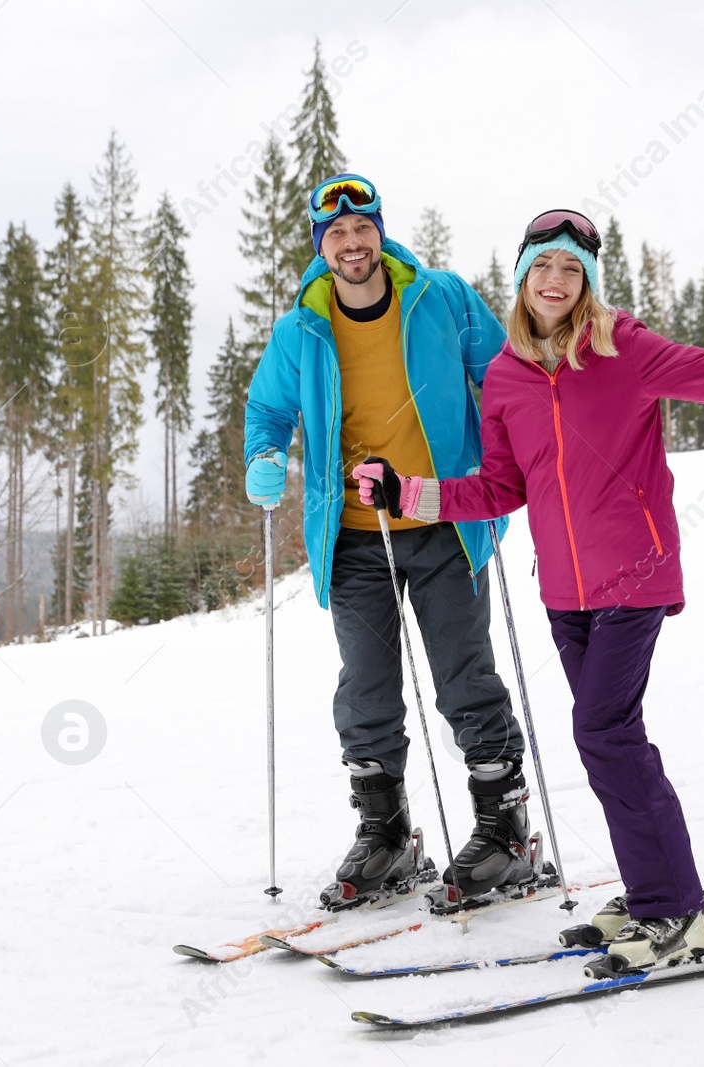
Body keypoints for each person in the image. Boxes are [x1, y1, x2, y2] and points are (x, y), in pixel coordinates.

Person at [354, 207, 704, 970]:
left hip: (635, 577)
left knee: (603, 733)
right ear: (522, 280)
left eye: (570, 270)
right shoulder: (508, 376)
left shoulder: (627, 351)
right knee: (611, 743)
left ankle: (677, 911)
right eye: (542, 267)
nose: (555, 281)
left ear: (588, 285)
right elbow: (500, 485)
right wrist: (408, 495)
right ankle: (653, 893)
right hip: (567, 595)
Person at [243, 174, 544, 910]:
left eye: (362, 228)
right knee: (366, 689)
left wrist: (517, 452)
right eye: (336, 233)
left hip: (446, 521)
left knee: (464, 677)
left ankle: (506, 831)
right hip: (352, 536)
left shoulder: (439, 298)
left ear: (380, 230)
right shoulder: (302, 329)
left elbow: (503, 376)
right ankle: (387, 834)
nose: (351, 243)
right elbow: (268, 407)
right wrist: (264, 455)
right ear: (323, 245)